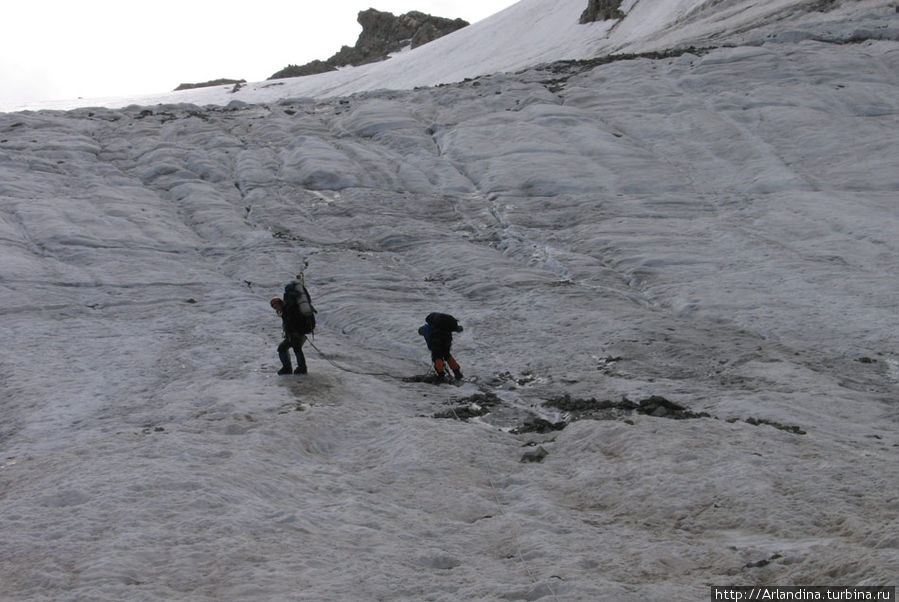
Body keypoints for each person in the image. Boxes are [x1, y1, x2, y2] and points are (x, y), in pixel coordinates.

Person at [271, 274, 315, 375]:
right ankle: (298, 368)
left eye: (276, 306)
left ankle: (294, 368)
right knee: (293, 348)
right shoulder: (287, 308)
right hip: (296, 333)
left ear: (280, 303)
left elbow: (293, 321)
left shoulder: (288, 310)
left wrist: (293, 333)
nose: (276, 308)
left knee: (287, 348)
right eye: (274, 307)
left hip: (296, 333)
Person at [418, 312, 464, 381]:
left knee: (437, 356)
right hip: (447, 338)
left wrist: (433, 349)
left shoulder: (426, 329)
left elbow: (429, 341)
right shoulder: (442, 325)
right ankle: (457, 373)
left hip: (437, 340)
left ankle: (441, 375)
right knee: (447, 355)